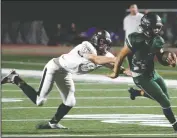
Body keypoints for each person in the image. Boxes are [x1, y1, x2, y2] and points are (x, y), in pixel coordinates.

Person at [1, 30, 129, 129]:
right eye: (102, 42)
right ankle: (15, 78)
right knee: (39, 100)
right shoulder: (86, 46)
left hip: (65, 72)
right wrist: (116, 58)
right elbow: (96, 59)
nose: (104, 46)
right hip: (55, 67)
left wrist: (128, 72)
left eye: (106, 43)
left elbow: (113, 65)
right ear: (97, 40)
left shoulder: (106, 55)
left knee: (70, 101)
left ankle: (53, 124)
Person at [108, 13, 177, 133]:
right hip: (141, 76)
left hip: (152, 73)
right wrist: (115, 73)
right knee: (164, 101)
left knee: (165, 97)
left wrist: (169, 61)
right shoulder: (135, 38)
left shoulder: (157, 40)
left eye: (159, 27)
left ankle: (136, 93)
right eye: (155, 27)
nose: (157, 29)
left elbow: (160, 58)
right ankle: (176, 127)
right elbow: (121, 55)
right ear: (147, 26)